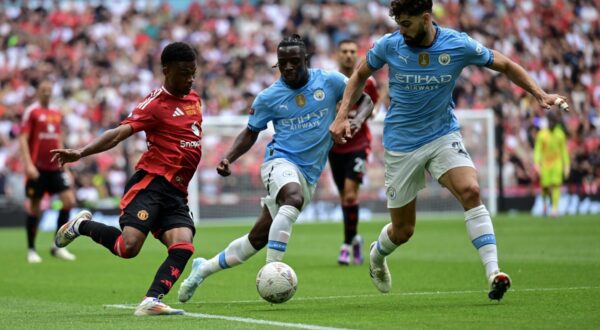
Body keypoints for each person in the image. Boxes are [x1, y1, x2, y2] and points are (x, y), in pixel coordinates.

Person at [329, 0, 569, 301]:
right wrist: (340, 117)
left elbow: (505, 64)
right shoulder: (389, 45)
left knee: (470, 191)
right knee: (403, 231)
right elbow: (359, 76)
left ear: (426, 18)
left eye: (406, 23)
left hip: (443, 134)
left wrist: (540, 93)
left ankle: (494, 272)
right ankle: (377, 255)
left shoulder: (457, 44)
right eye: (398, 23)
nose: (401, 30)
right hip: (401, 145)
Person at [177, 34, 374, 303]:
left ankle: (203, 269)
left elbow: (365, 101)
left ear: (306, 60)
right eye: (283, 63)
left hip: (309, 173)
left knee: (256, 239)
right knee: (293, 197)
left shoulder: (330, 81)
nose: (289, 67)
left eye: (294, 61)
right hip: (278, 162)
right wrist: (228, 158)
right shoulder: (269, 97)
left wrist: (356, 121)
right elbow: (250, 132)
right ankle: (273, 269)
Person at [51, 42, 201, 316]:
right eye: (183, 73)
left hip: (176, 192)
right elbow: (119, 133)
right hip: (151, 184)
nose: (190, 79)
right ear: (166, 71)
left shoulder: (194, 100)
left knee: (184, 245)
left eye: (193, 72)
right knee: (128, 248)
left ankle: (151, 300)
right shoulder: (154, 104)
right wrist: (82, 152)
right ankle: (81, 226)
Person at [329, 39, 380, 266]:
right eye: (344, 51)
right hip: (335, 147)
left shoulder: (367, 82)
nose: (349, 55)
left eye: (352, 51)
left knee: (351, 194)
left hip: (358, 145)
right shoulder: (330, 82)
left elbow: (372, 106)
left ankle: (346, 245)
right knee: (344, 198)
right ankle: (355, 238)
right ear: (337, 55)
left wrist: (358, 120)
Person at [19, 79, 77, 263]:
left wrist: (65, 167)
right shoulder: (32, 112)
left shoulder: (55, 112)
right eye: (44, 89)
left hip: (55, 167)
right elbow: (23, 139)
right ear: (38, 92)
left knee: (69, 201)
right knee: (35, 207)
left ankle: (56, 245)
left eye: (49, 90)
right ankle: (31, 249)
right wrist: (28, 165)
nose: (47, 93)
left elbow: (58, 140)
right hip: (37, 168)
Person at [533, 112, 570, 218]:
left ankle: (554, 209)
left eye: (554, 122)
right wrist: (536, 163)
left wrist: (566, 165)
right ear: (548, 122)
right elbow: (538, 150)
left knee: (556, 185)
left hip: (557, 163)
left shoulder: (560, 134)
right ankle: (545, 204)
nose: (552, 124)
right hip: (545, 164)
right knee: (545, 187)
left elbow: (564, 152)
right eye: (551, 122)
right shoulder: (542, 134)